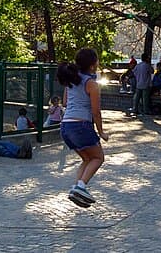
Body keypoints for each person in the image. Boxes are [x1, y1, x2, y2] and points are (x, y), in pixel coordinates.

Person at [57, 48, 108, 208]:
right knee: (98, 157)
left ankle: (76, 189)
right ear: (93, 65)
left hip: (66, 126)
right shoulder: (91, 84)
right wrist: (101, 132)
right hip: (81, 125)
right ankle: (80, 186)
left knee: (87, 159)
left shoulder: (71, 81)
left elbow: (65, 102)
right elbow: (96, 112)